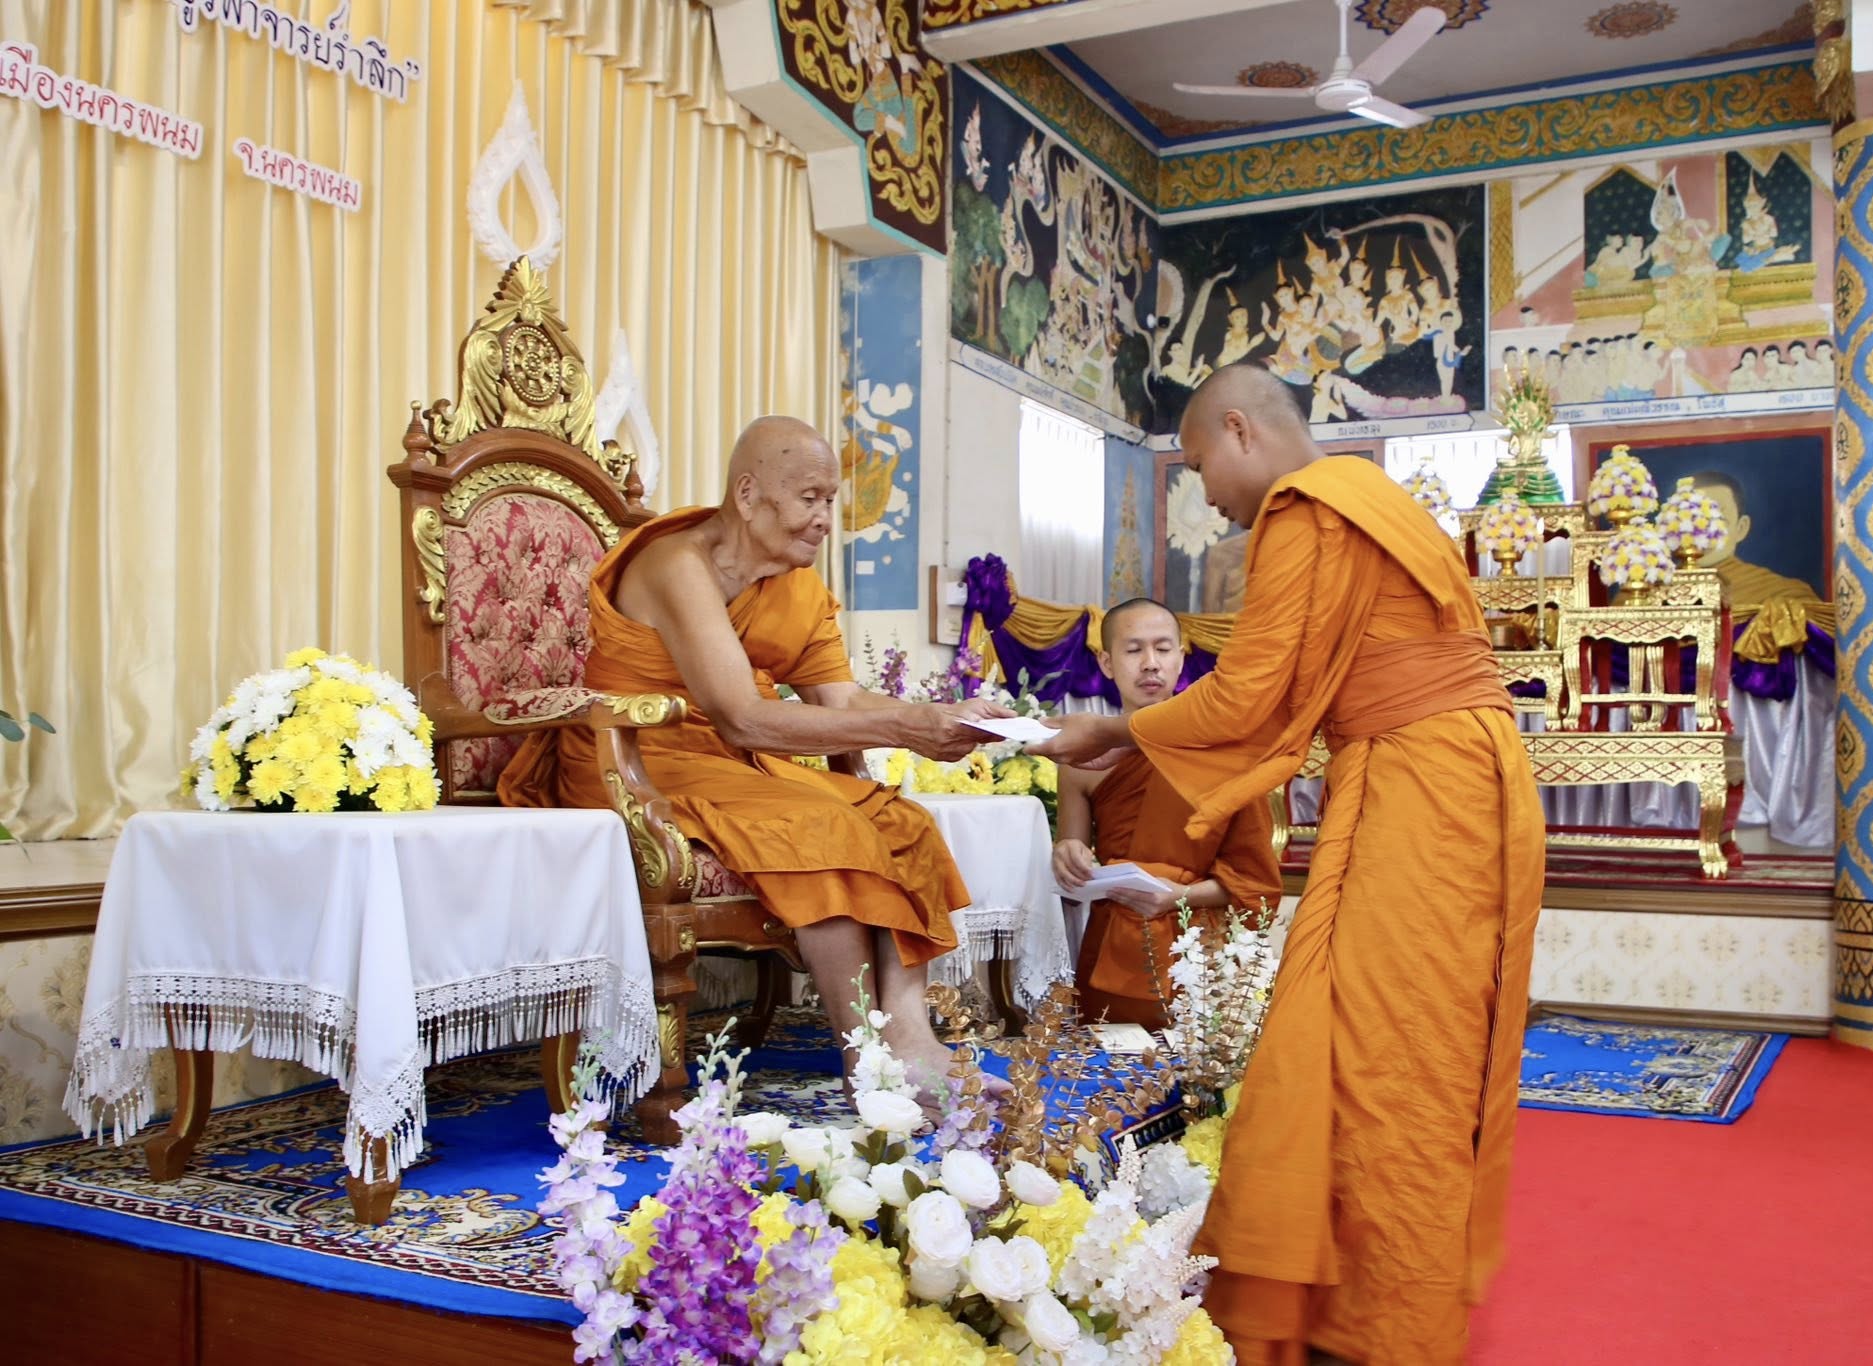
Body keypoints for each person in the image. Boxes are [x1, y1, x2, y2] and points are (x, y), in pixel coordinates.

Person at [1031, 364, 1544, 1364]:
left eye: (1196, 464)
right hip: (1445, 778)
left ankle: (1381, 1311)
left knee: (1385, 1049)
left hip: (1422, 786)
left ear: (1239, 430)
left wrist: (1109, 729)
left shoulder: (1305, 511)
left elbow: (1244, 699)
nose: (1203, 493)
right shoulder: (1372, 496)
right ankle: (1351, 1291)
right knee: (1354, 1031)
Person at [497, 416, 1011, 1096]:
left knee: (901, 822)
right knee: (824, 828)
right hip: (638, 759)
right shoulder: (677, 564)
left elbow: (841, 700)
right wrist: (908, 725)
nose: (826, 518)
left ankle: (911, 1042)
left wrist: (938, 717)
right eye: (810, 498)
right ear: (747, 494)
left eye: (830, 499)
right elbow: (741, 716)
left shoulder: (796, 588)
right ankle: (865, 1057)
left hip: (733, 760)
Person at [1051, 598, 1283, 1030]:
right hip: (1111, 950)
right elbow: (1074, 869)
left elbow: (1254, 883)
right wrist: (1067, 855)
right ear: (1105, 662)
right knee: (1109, 1076)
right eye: (1133, 650)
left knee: (1198, 1079)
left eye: (1162, 649)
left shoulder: (1224, 755)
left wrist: (1179, 897)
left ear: (1182, 658)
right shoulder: (1081, 761)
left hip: (1199, 953)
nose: (1150, 664)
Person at [1689, 469, 1822, 607]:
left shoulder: (1781, 594)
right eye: (1691, 522)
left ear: (1741, 528)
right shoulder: (1666, 588)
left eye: (1717, 522)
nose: (1703, 536)